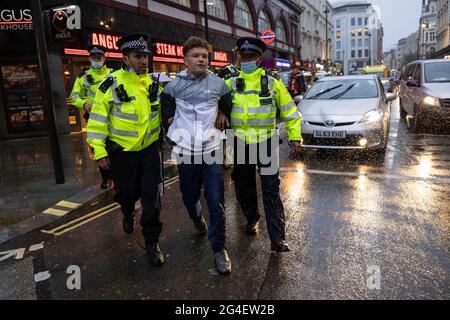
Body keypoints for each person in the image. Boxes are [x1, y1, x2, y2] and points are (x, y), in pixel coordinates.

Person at [86, 33, 165, 267]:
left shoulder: (154, 83)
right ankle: (128, 211)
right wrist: (99, 151)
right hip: (122, 154)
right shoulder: (110, 85)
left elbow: (163, 113)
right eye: (138, 56)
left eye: (146, 56)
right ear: (126, 58)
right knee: (126, 194)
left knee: (152, 199)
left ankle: (152, 242)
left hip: (150, 152)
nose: (144, 61)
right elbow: (98, 120)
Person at [160, 36, 232, 275]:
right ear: (185, 59)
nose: (201, 59)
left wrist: (222, 111)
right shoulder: (173, 86)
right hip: (186, 152)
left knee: (216, 199)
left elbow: (227, 103)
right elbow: (165, 110)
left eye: (204, 56)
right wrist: (171, 131)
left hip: (211, 149)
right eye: (196, 56)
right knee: (189, 195)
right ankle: (195, 216)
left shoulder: (218, 84)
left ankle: (219, 249)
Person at [224, 37, 303, 252]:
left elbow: (290, 112)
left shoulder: (273, 82)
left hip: (266, 143)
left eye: (252, 57)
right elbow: (215, 105)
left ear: (259, 58)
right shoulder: (229, 82)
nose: (247, 60)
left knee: (271, 191)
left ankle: (277, 238)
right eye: (244, 56)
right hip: (239, 143)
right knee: (244, 188)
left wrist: (295, 136)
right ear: (239, 57)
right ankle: (252, 217)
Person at [70, 45, 113, 189]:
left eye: (99, 57)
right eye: (94, 57)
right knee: (99, 148)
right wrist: (83, 103)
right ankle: (106, 178)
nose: (97, 60)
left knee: (114, 146)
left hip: (114, 117)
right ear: (89, 58)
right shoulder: (83, 77)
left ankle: (116, 174)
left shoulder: (113, 74)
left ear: (104, 58)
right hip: (95, 118)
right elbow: (74, 96)